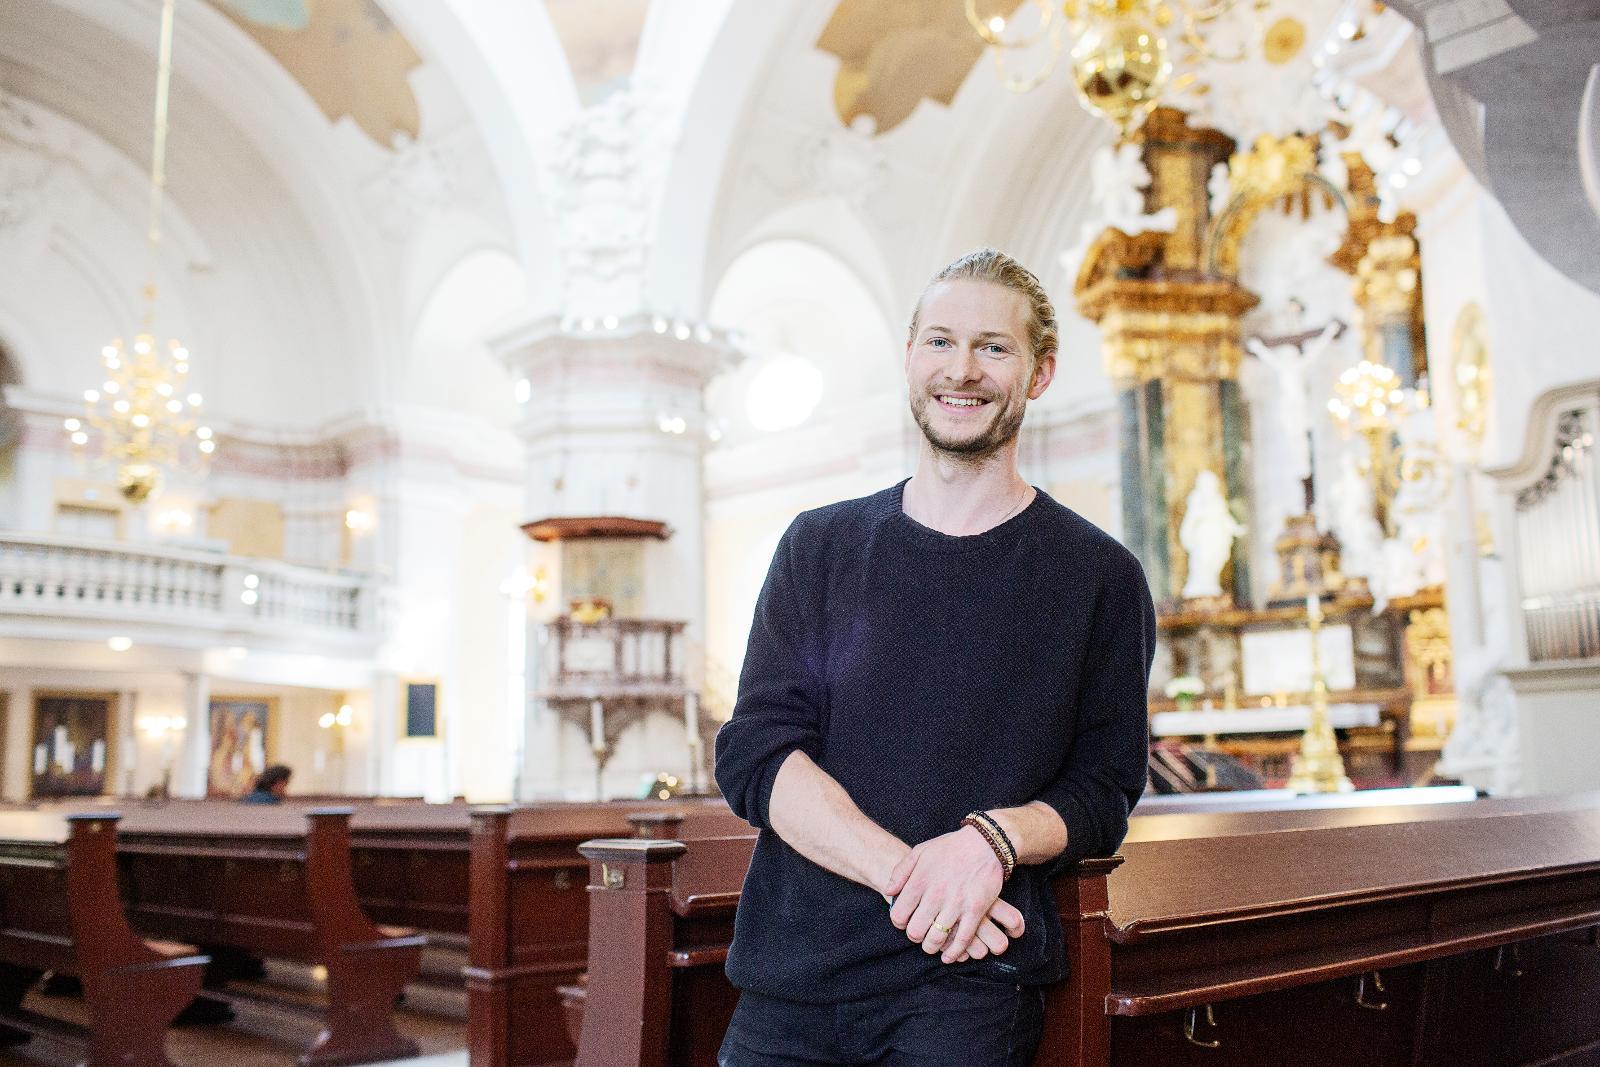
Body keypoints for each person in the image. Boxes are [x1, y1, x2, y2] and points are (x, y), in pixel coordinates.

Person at [714, 248, 1156, 1065]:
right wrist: (910, 875)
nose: (964, 369)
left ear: (1040, 372)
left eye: (994, 346)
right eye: (941, 342)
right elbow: (757, 752)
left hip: (969, 983)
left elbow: (1105, 786)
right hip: (793, 978)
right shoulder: (819, 547)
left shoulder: (1099, 575)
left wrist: (992, 840)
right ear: (910, 358)